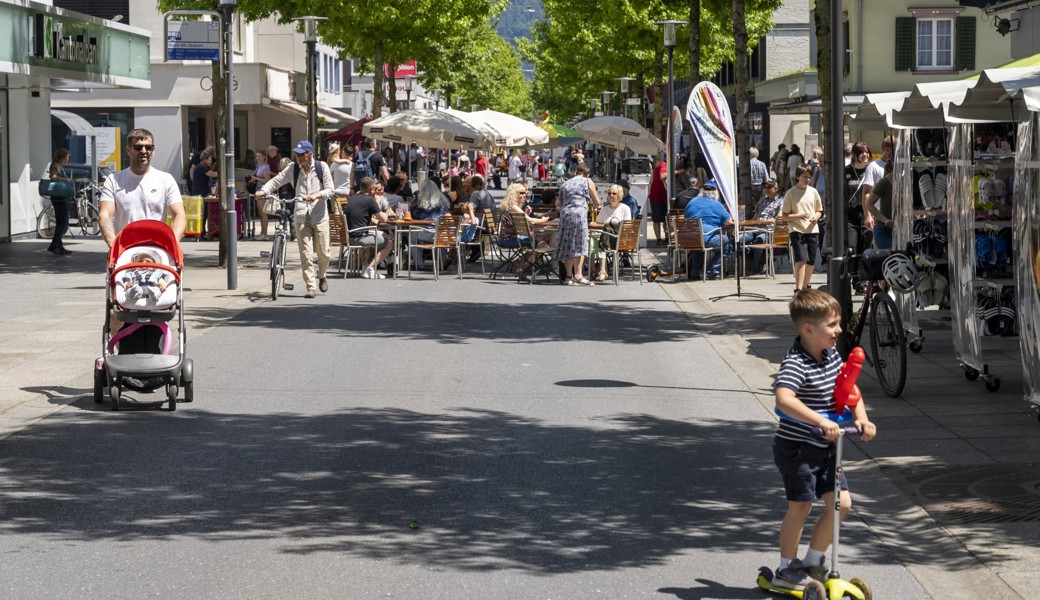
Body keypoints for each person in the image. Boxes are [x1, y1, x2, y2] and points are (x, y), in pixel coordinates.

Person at [771, 289, 876, 590]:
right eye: (832, 325)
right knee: (800, 507)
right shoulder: (796, 362)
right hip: (798, 449)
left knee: (842, 504)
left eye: (838, 323)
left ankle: (814, 561)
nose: (839, 330)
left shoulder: (832, 355)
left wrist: (862, 418)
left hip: (828, 447)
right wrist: (820, 420)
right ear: (808, 329)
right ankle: (786, 569)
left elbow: (849, 389)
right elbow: (783, 399)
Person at [255, 140, 334, 298]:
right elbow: (277, 180)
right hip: (301, 214)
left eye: (300, 154)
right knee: (305, 253)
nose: (297, 157)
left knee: (324, 253)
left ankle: (322, 275)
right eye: (296, 154)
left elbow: (330, 189)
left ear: (309, 154)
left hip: (319, 215)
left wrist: (316, 195)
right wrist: (264, 190)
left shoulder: (321, 167)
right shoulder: (293, 168)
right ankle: (310, 287)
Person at [99, 128, 186, 248]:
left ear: (153, 150)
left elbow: (179, 215)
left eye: (148, 147)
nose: (144, 151)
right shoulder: (114, 180)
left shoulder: (166, 179)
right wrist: (114, 245)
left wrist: (171, 244)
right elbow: (105, 215)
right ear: (128, 150)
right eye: (138, 147)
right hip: (124, 250)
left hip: (157, 250)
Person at [555, 162, 601, 286]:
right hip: (580, 215)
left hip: (566, 215)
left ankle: (568, 277)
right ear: (587, 174)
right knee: (580, 245)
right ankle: (579, 275)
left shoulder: (565, 184)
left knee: (568, 245)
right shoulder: (587, 181)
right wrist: (596, 206)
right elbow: (597, 202)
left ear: (575, 172)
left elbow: (558, 204)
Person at [782, 164, 823, 292]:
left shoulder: (813, 191)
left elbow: (819, 210)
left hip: (812, 229)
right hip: (797, 230)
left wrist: (815, 218)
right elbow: (785, 216)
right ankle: (798, 289)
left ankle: (806, 286)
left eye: (809, 177)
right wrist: (799, 216)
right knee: (801, 258)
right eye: (805, 176)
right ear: (798, 177)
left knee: (811, 260)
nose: (807, 179)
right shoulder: (790, 193)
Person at [498, 183, 552, 280]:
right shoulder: (513, 207)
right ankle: (522, 268)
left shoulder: (508, 206)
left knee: (539, 241)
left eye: (525, 193)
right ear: (514, 193)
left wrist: (526, 214)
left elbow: (524, 222)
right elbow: (532, 221)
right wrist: (544, 219)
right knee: (542, 245)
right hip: (511, 239)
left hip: (508, 237)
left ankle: (518, 263)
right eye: (521, 193)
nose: (524, 195)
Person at [344, 177, 392, 279]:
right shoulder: (370, 200)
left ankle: (365, 267)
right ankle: (370, 268)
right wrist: (379, 203)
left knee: (372, 235)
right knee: (389, 243)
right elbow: (383, 219)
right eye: (374, 189)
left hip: (349, 236)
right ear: (371, 189)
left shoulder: (352, 198)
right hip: (359, 237)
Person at [683, 181, 733, 279]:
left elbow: (686, 217)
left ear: (702, 191)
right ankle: (712, 271)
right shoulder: (717, 204)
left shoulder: (692, 202)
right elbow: (728, 222)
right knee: (726, 243)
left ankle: (695, 272)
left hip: (690, 237)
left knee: (699, 249)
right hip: (707, 237)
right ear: (716, 192)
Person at [741, 179, 784, 274]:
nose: (766, 189)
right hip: (755, 229)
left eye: (769, 187)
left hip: (768, 231)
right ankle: (759, 260)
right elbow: (755, 217)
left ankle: (756, 266)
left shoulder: (781, 201)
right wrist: (744, 224)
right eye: (765, 187)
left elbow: (779, 218)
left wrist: (767, 221)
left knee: (758, 241)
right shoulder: (761, 201)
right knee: (737, 240)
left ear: (776, 188)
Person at [591, 184, 633, 281]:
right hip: (605, 237)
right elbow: (598, 223)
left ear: (619, 196)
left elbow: (627, 226)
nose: (611, 196)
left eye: (614, 193)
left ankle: (602, 271)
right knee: (591, 240)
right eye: (609, 193)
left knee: (599, 241)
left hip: (619, 239)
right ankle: (593, 271)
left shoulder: (625, 208)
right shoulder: (604, 209)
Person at [409, 179, 452, 269]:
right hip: (442, 232)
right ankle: (444, 258)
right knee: (436, 239)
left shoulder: (420, 201)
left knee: (413, 235)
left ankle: (419, 264)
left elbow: (414, 215)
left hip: (429, 231)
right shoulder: (443, 201)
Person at [860, 136, 893, 238]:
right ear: (887, 150)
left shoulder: (899, 165)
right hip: (878, 217)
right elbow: (866, 193)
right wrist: (868, 215)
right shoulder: (873, 166)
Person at [844, 142, 872, 257]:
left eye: (866, 152)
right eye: (861, 152)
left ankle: (862, 274)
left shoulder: (871, 170)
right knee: (852, 248)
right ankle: (851, 272)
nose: (865, 155)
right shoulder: (846, 171)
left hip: (867, 215)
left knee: (866, 247)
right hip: (851, 215)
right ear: (854, 156)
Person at [45, 148, 74, 255]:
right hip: (58, 197)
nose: (68, 158)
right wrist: (65, 179)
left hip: (60, 196)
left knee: (62, 222)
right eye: (67, 156)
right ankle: (55, 245)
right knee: (63, 222)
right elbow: (52, 176)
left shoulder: (59, 165)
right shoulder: (56, 165)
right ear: (64, 157)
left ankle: (58, 245)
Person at [864, 160, 895, 250]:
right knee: (891, 254)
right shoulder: (884, 182)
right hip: (884, 230)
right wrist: (885, 220)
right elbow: (869, 204)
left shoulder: (907, 181)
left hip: (902, 229)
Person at [249, 149, 274, 240]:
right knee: (260, 212)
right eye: (257, 156)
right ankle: (262, 232)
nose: (257, 158)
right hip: (257, 189)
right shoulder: (259, 165)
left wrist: (256, 178)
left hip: (262, 190)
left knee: (263, 213)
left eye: (259, 156)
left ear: (264, 157)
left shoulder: (266, 167)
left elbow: (267, 181)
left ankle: (264, 234)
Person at [648, 157, 669, 245]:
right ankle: (659, 239)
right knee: (657, 219)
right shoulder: (663, 165)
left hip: (663, 197)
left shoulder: (664, 165)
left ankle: (667, 238)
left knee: (666, 219)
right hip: (657, 196)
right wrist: (677, 172)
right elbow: (662, 176)